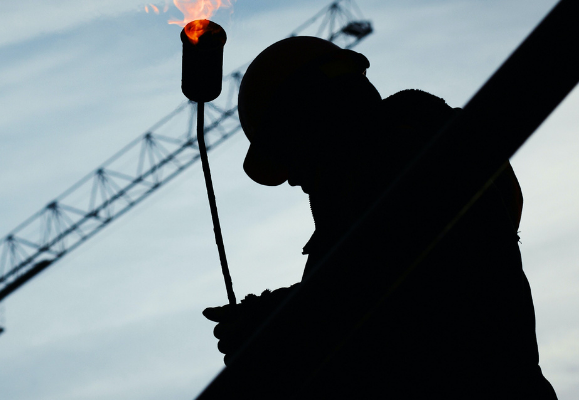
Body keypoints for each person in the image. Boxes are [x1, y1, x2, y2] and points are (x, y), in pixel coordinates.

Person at [202, 36, 557, 399]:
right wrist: (279, 322)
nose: (291, 177)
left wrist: (281, 328)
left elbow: (394, 310)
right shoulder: (401, 180)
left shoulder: (421, 168)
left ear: (313, 116)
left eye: (286, 151)